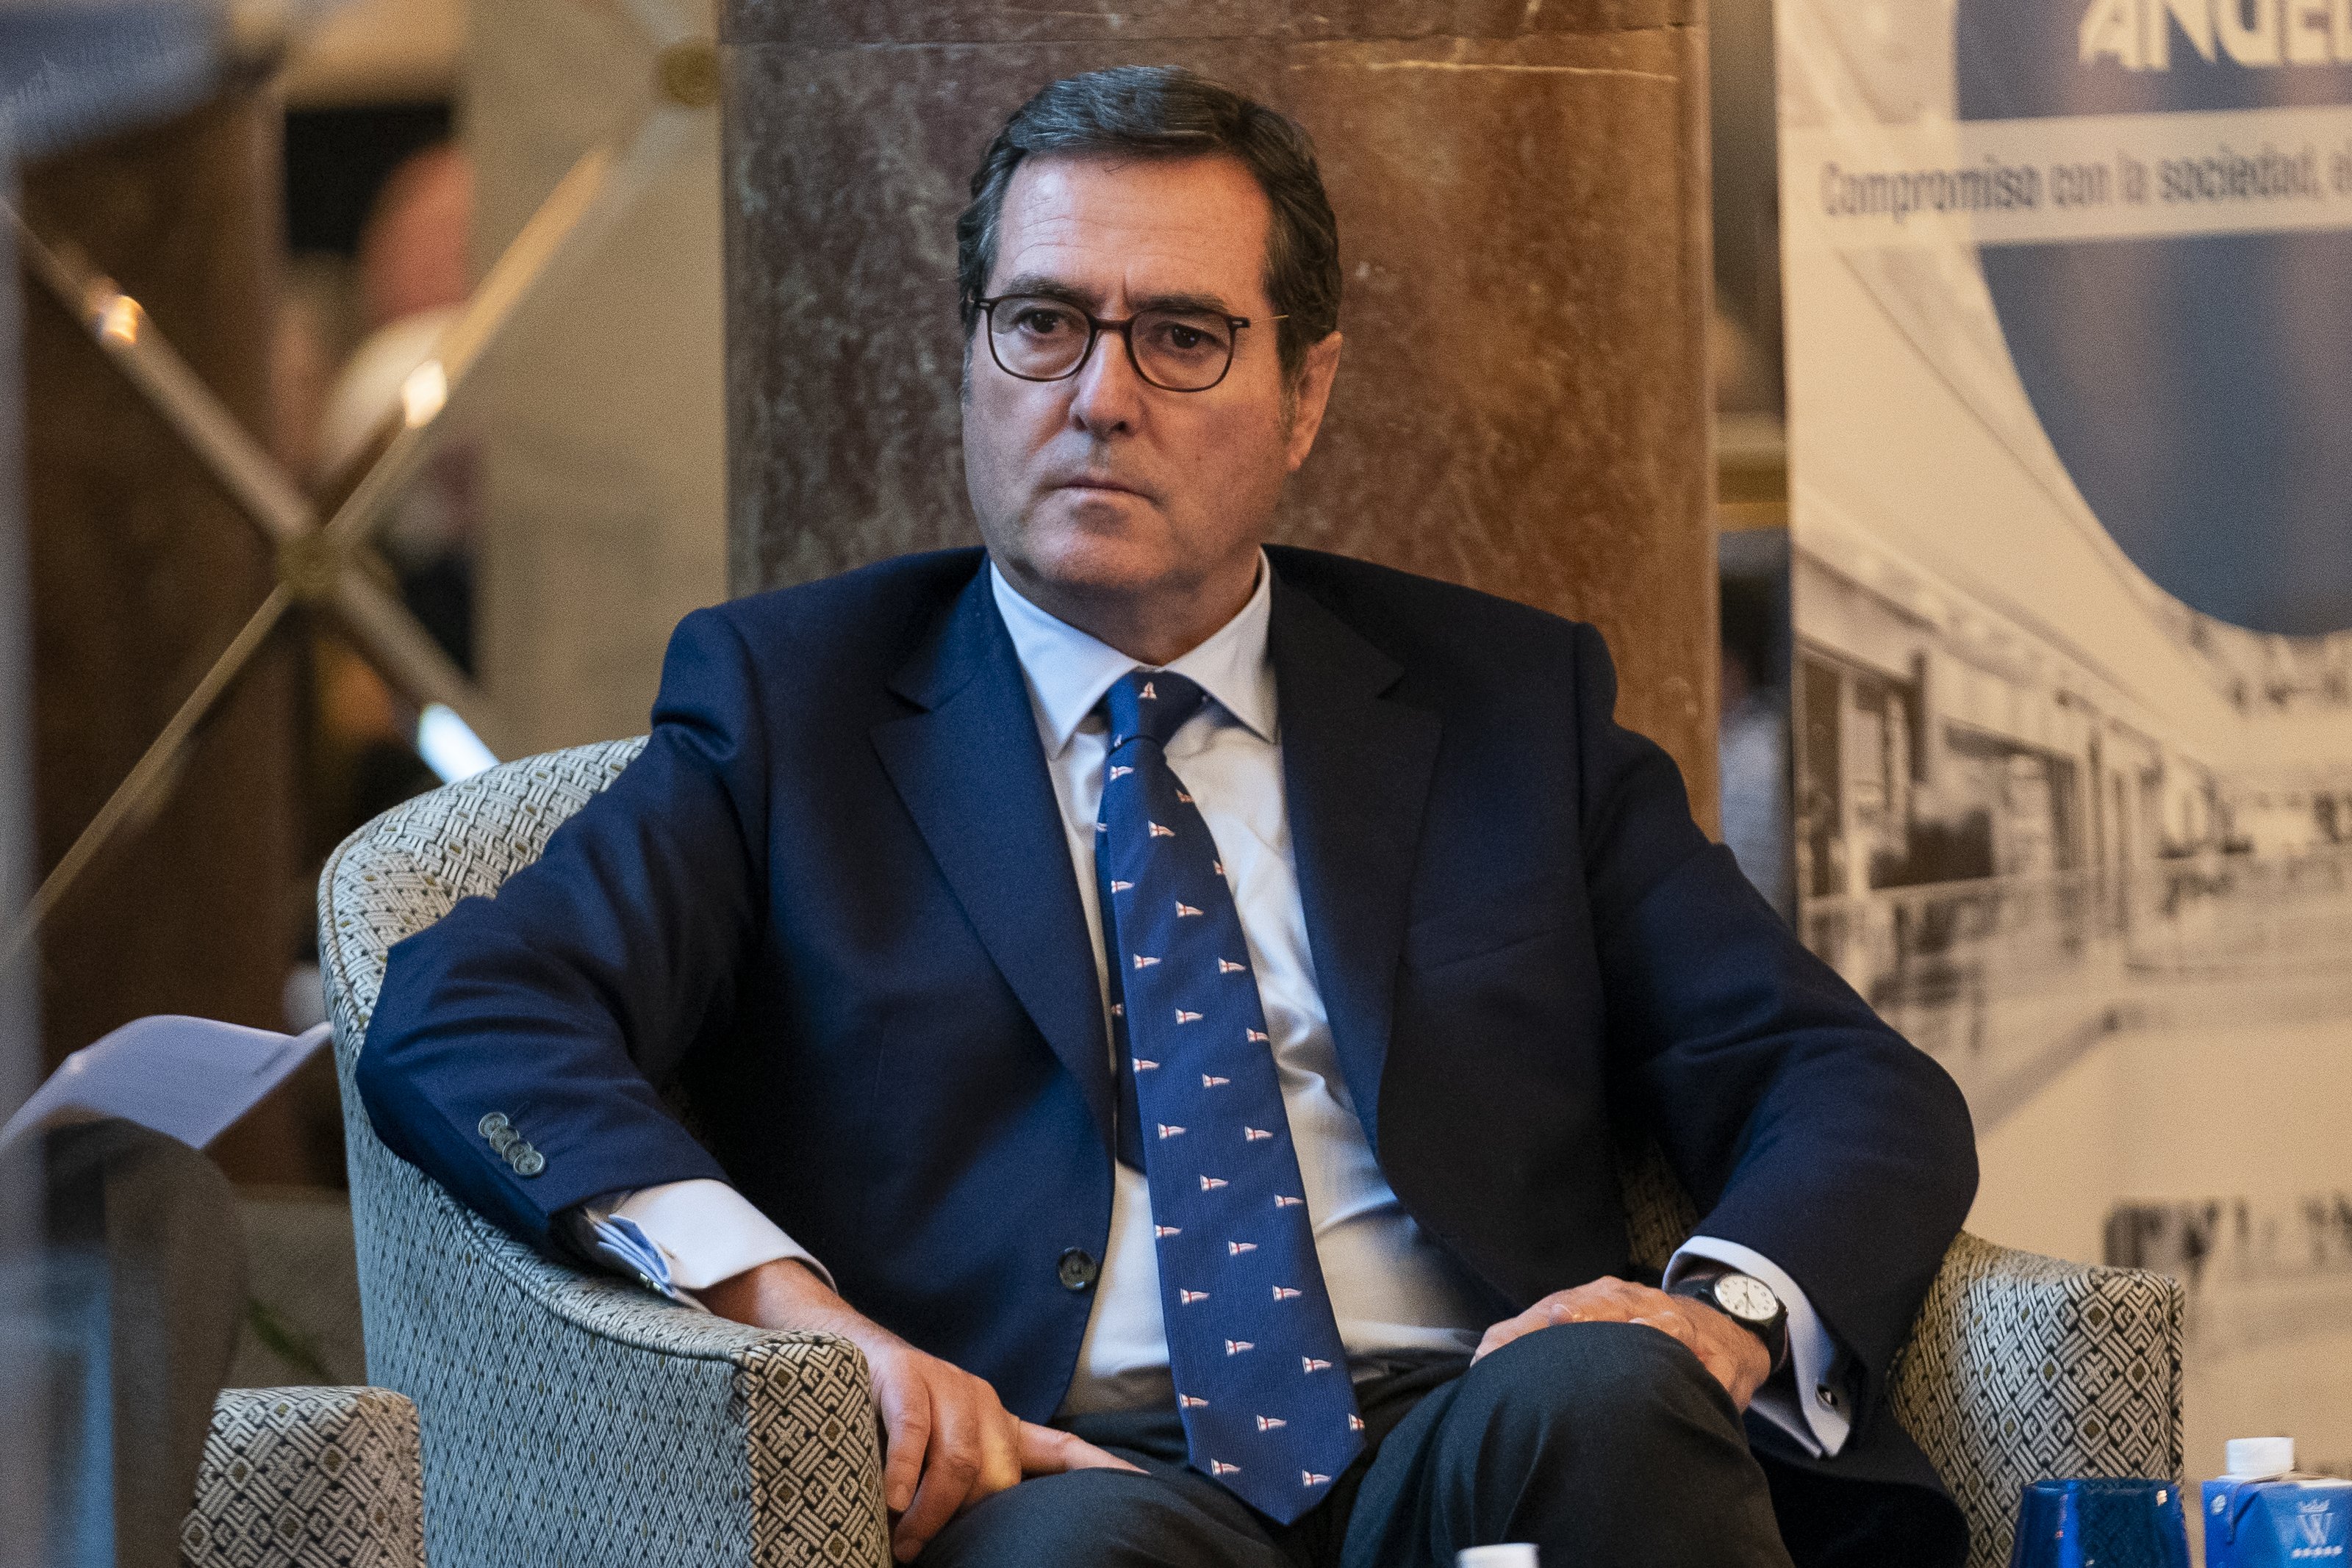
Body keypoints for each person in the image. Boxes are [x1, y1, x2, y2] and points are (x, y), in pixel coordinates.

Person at [357, 66, 1976, 1568]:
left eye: (1182, 338)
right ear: (970, 356)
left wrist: (1719, 1317)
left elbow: (1842, 1080)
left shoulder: (1499, 703)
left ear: (1304, 393)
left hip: (1469, 1427)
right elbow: (468, 1007)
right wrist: (793, 1309)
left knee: (1610, 1399)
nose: (1098, 397)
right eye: (1043, 323)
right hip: (1062, 1469)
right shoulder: (798, 707)